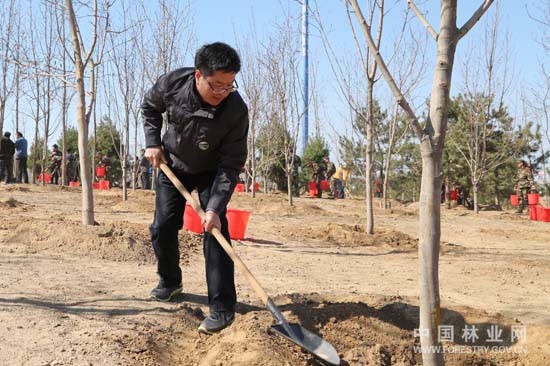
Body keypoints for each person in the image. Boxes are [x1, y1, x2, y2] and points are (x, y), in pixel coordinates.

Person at [142, 42, 248, 335]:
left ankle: (222, 307)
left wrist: (214, 207)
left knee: (215, 230)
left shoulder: (235, 110)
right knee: (162, 226)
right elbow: (150, 107)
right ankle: (170, 282)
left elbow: (232, 163)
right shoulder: (173, 83)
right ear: (198, 76)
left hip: (213, 172)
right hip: (173, 164)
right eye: (216, 85)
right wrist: (153, 142)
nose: (222, 93)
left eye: (229, 86)